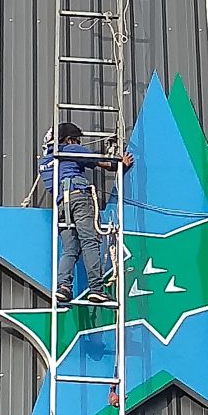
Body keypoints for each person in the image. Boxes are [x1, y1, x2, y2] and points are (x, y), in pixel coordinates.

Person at [39, 122, 133, 304]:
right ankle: (96, 289)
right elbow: (106, 164)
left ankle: (64, 287)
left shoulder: (45, 162)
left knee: (70, 249)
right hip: (79, 197)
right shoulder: (71, 149)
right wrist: (122, 164)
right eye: (76, 140)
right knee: (90, 242)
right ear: (69, 139)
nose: (78, 143)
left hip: (61, 205)